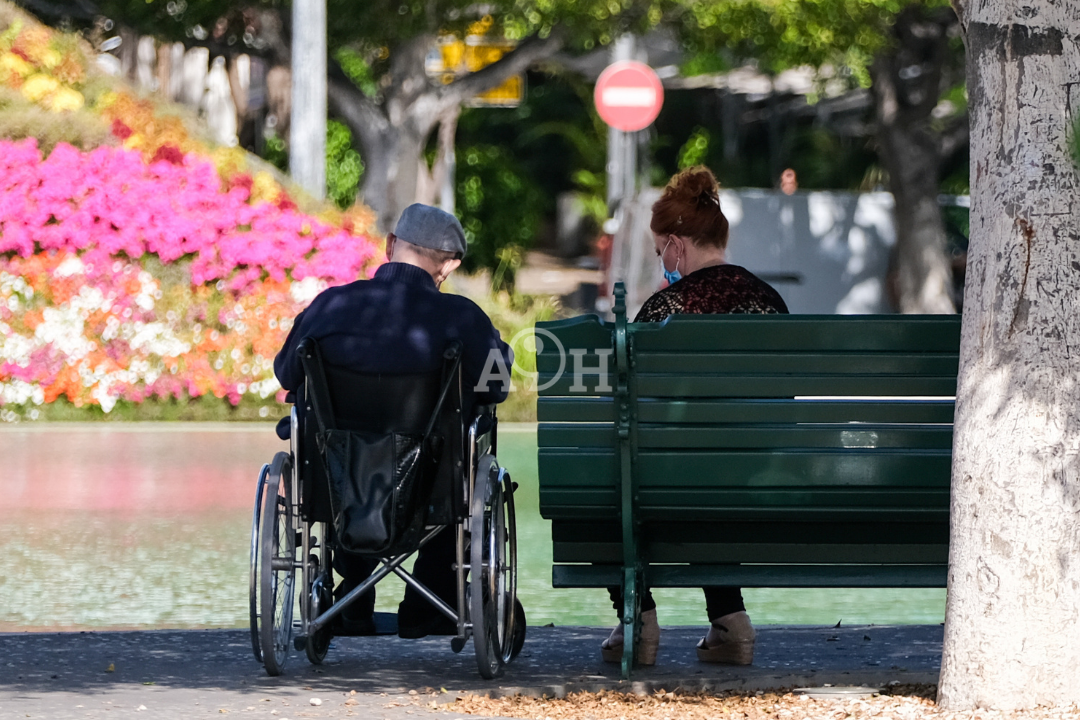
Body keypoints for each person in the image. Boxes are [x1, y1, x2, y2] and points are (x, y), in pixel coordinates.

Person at [274, 203, 513, 639]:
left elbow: (287, 372)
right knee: (457, 458)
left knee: (344, 461)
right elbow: (496, 388)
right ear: (450, 265)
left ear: (389, 246)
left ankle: (351, 600)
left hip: (337, 482)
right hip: (433, 484)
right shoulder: (463, 318)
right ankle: (428, 601)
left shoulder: (330, 306)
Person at [601, 166, 789, 667]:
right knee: (716, 468)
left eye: (660, 248)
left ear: (677, 245)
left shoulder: (666, 308)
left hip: (676, 484)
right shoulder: (771, 303)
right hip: (763, 480)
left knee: (604, 477)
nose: (661, 259)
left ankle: (636, 621)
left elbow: (630, 402)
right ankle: (730, 621)